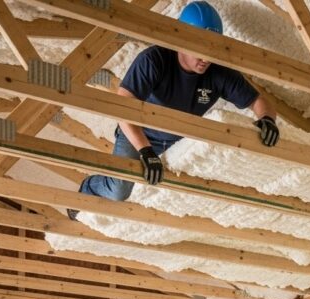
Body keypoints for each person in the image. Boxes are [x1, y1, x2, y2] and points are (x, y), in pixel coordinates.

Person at [70, 1, 278, 219]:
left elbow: (259, 101)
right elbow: (123, 104)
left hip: (177, 138)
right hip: (138, 133)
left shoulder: (219, 73)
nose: (206, 58)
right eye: (201, 50)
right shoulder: (154, 60)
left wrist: (267, 120)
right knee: (119, 190)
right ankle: (88, 187)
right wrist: (145, 150)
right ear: (182, 40)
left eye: (212, 50)